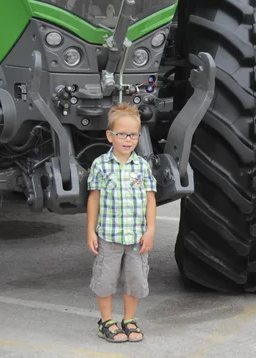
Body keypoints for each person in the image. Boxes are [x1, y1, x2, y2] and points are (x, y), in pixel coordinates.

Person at [87, 102, 157, 343]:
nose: (128, 140)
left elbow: (150, 200)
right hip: (109, 236)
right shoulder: (100, 165)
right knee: (105, 281)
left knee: (135, 280)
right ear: (110, 136)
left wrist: (151, 231)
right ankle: (106, 321)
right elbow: (94, 199)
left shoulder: (142, 166)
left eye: (134, 135)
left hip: (137, 238)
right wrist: (90, 232)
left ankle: (129, 319)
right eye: (123, 134)